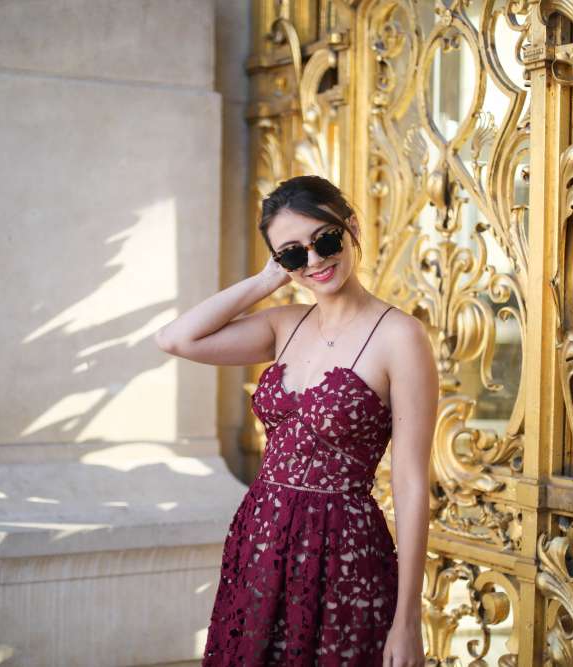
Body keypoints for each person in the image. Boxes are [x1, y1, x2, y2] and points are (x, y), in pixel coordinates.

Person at [154, 175, 436, 666]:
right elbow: (177, 339)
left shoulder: (401, 337)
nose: (315, 261)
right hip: (260, 542)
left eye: (325, 240)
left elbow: (412, 482)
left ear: (351, 228)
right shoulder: (282, 324)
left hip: (343, 555)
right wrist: (267, 281)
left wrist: (407, 621)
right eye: (292, 254)